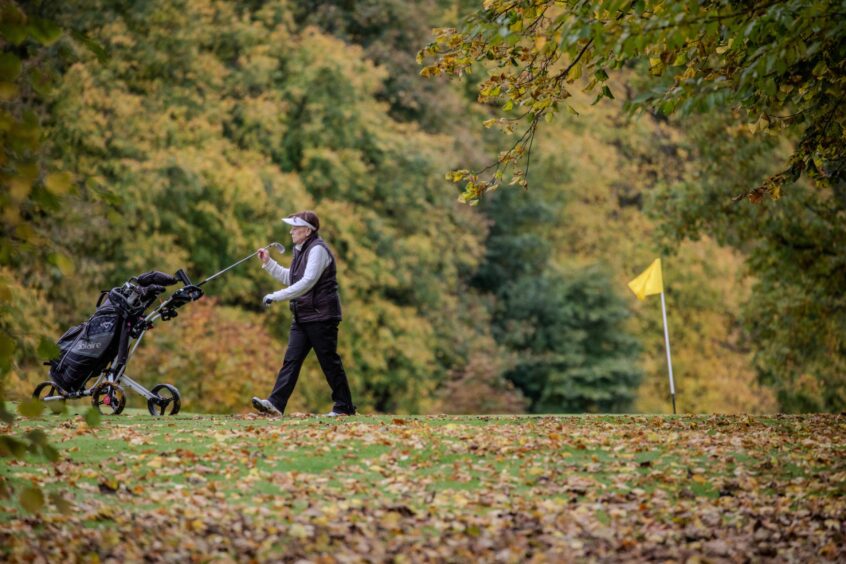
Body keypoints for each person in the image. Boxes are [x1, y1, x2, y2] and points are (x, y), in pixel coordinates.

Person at [251, 211, 356, 417]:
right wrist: (268, 263)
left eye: (295, 228)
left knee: (328, 362)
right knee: (291, 360)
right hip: (303, 315)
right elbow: (291, 278)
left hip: (322, 316)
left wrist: (276, 296)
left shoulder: (318, 250)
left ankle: (344, 407)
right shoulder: (300, 249)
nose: (291, 231)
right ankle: (276, 404)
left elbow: (307, 283)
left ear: (307, 231)